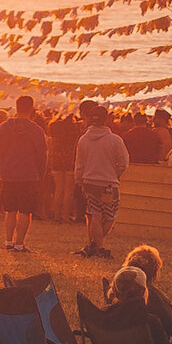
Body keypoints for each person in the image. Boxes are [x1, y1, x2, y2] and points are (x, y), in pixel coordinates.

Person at [0, 94, 49, 252]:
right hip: (29, 175)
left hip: (8, 174)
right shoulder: (36, 130)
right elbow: (42, 155)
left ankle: (8, 241)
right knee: (25, 211)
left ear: (16, 107)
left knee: (10, 210)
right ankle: (19, 243)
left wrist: (0, 169)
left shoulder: (2, 128)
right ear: (31, 108)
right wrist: (40, 174)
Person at [73, 101, 130, 258]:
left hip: (89, 182)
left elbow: (79, 164)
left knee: (95, 214)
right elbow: (124, 163)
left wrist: (79, 180)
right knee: (110, 216)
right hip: (109, 183)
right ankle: (98, 246)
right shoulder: (115, 140)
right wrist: (115, 174)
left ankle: (94, 246)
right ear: (106, 120)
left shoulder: (84, 139)